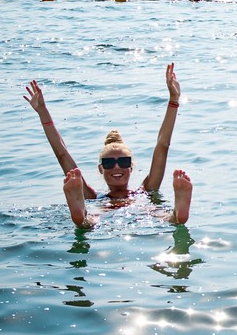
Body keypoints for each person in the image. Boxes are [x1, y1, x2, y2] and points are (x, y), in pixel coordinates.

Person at [24, 64, 192, 228]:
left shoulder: (146, 189)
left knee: (158, 213)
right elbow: (62, 153)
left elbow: (163, 145)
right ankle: (80, 214)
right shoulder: (94, 196)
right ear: (101, 169)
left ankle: (178, 214)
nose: (117, 167)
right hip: (126, 216)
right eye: (109, 163)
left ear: (131, 167)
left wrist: (174, 100)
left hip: (132, 214)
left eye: (123, 162)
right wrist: (43, 112)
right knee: (93, 219)